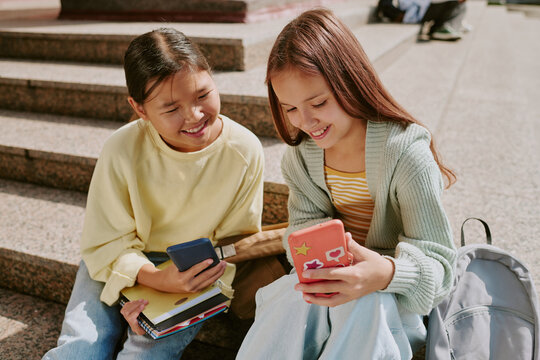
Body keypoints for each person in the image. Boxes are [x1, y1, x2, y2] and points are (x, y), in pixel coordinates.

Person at [236, 8, 457, 359]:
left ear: (351, 81)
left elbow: (442, 272)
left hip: (394, 295)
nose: (306, 121)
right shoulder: (302, 158)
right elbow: (303, 237)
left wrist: (382, 273)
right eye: (290, 108)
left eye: (319, 102)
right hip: (331, 288)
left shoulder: (404, 153)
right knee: (294, 303)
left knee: (362, 306)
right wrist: (323, 267)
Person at [42, 27, 265, 359]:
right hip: (117, 258)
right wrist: (150, 279)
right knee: (81, 346)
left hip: (194, 274)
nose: (194, 116)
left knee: (145, 354)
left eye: (203, 95)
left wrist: (171, 287)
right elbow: (106, 242)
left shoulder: (244, 150)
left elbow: (232, 244)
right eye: (171, 108)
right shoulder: (122, 148)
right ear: (140, 108)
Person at [377, 0, 469, 41]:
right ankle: (449, 25)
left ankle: (449, 25)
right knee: (459, 4)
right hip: (418, 9)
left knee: (461, 5)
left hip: (422, 8)